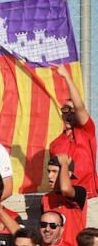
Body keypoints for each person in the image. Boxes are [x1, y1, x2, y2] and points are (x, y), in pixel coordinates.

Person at [49, 65, 96, 222]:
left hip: (88, 198)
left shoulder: (86, 131)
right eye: (64, 110)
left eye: (72, 110)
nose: (68, 113)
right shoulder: (55, 144)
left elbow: (80, 106)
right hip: (66, 201)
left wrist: (67, 77)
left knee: (90, 242)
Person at [42, 154, 86, 246]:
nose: (49, 176)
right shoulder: (45, 198)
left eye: (54, 172)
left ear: (68, 174)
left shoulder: (79, 191)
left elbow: (65, 189)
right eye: (49, 171)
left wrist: (64, 163)